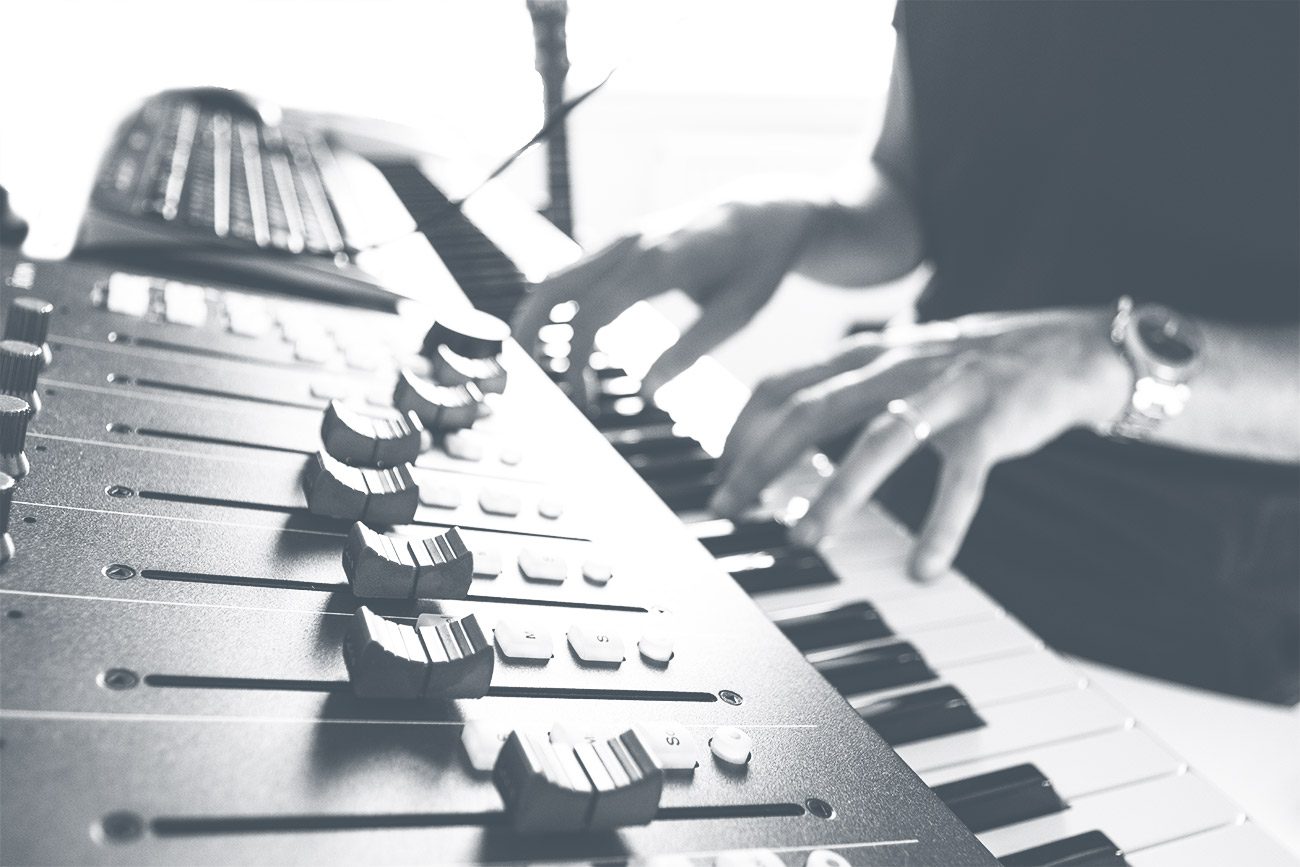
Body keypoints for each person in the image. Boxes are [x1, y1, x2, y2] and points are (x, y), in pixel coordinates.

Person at [514, 0, 1299, 704]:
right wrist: (804, 218)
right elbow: (903, 191)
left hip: (1191, 602)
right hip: (900, 490)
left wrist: (1107, 357)